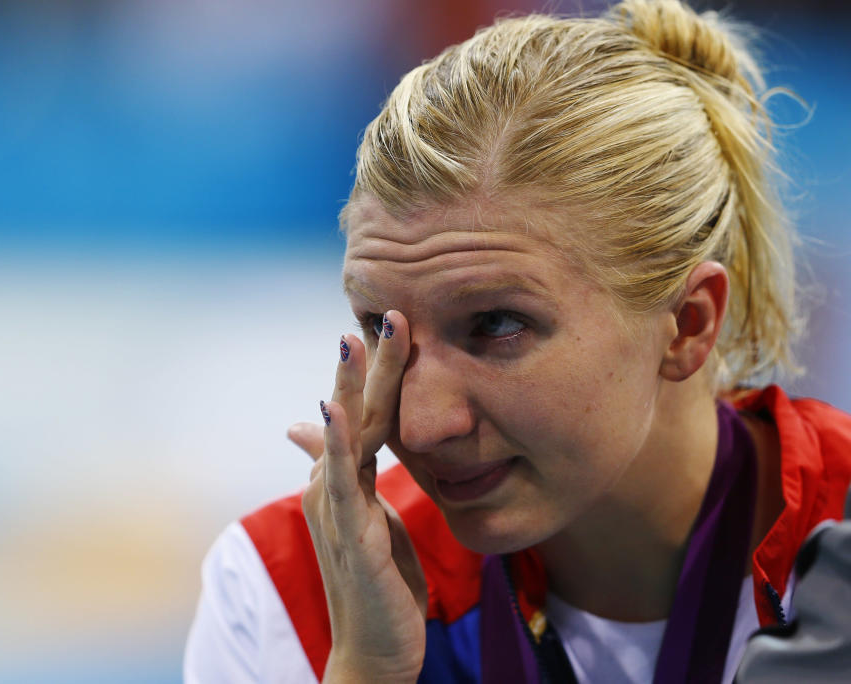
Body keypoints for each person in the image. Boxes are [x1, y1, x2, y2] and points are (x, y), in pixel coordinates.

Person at [184, 1, 851, 681]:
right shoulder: (283, 598)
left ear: (688, 324)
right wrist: (366, 669)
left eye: (498, 325)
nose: (421, 425)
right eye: (382, 331)